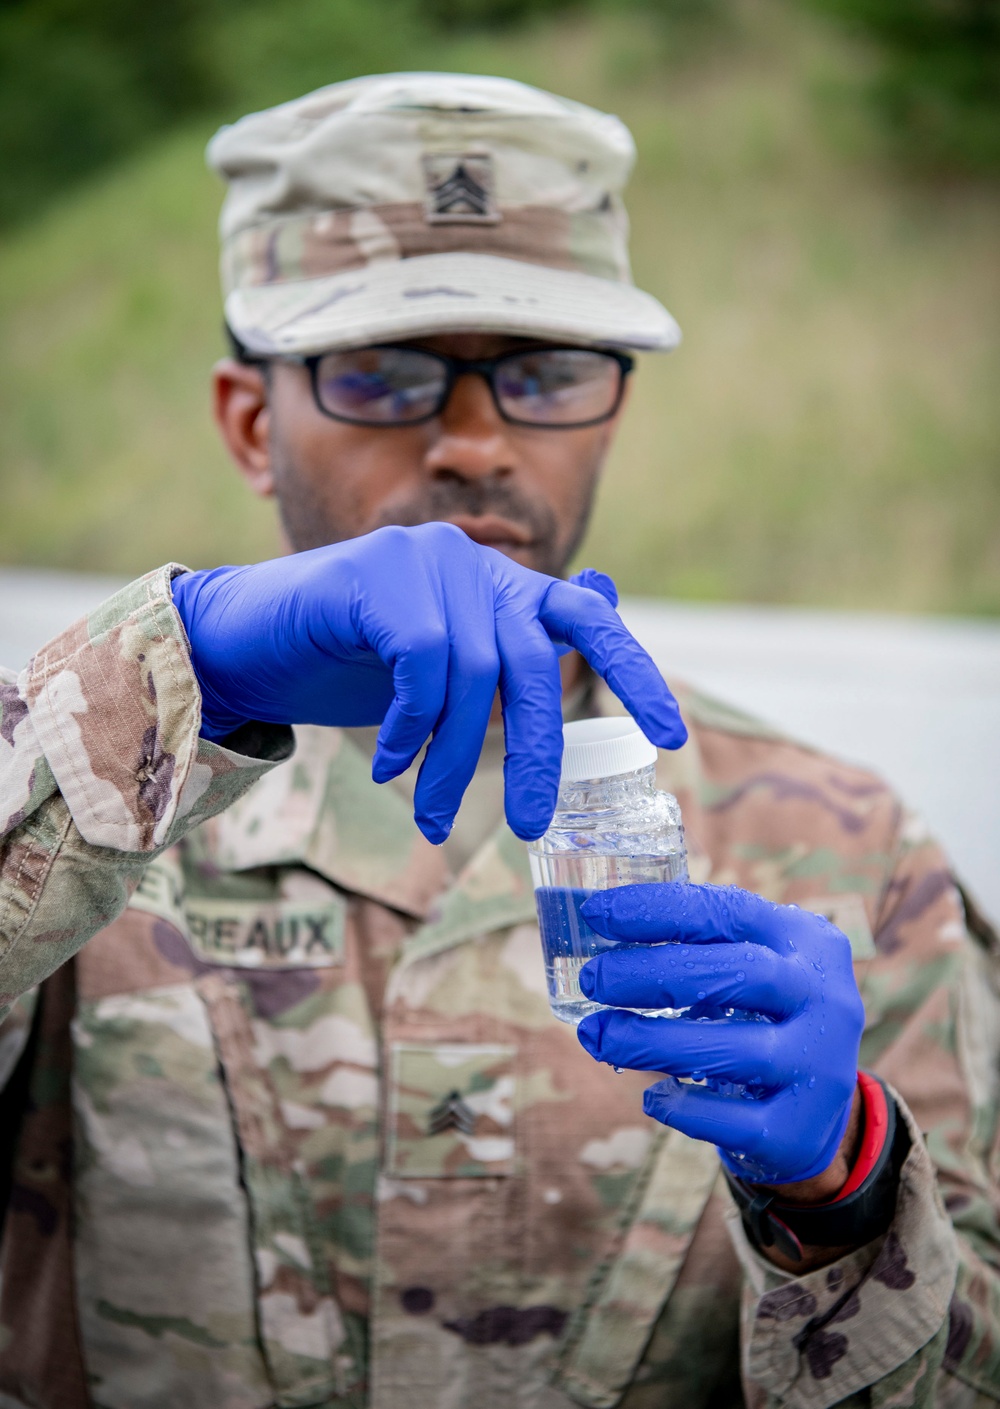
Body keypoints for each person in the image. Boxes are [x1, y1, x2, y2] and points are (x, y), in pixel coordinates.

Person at [0, 72, 996, 1409]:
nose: (473, 443)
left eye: (543, 374)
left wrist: (854, 1192)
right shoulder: (81, 811)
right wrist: (188, 658)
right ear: (251, 420)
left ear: (613, 406)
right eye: (383, 374)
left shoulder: (849, 848)